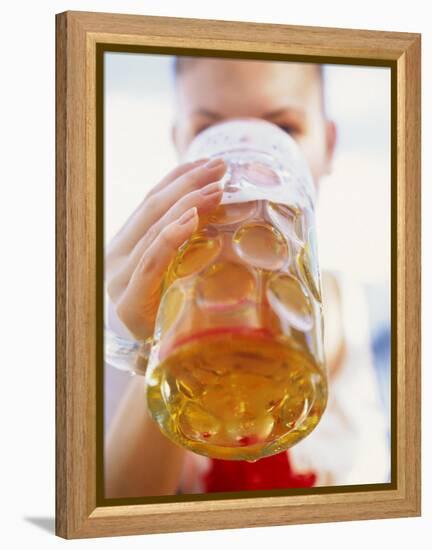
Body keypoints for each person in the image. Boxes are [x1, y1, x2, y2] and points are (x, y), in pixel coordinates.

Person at [104, 57, 390, 497]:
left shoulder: (358, 304)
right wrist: (144, 349)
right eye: (207, 131)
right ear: (180, 145)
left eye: (285, 130)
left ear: (328, 145)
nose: (247, 164)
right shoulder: (126, 319)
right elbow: (117, 509)